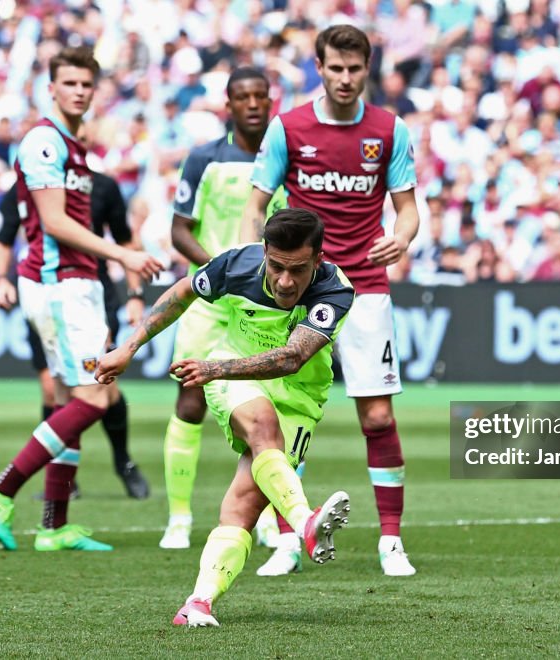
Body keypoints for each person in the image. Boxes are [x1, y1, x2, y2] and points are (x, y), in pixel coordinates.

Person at [96, 209, 353, 627]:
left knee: (244, 505)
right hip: (234, 370)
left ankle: (197, 603)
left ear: (318, 260)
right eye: (277, 267)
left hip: (299, 397)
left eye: (298, 270)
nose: (286, 282)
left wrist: (216, 370)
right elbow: (182, 292)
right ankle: (306, 523)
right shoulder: (237, 263)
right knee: (261, 427)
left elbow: (292, 358)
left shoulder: (335, 289)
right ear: (265, 252)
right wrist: (130, 347)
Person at [242, 24, 420, 577]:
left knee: (376, 416)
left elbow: (408, 207)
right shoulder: (288, 127)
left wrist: (404, 234)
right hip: (299, 292)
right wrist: (258, 265)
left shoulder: (389, 131)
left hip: (365, 286)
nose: (345, 79)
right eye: (335, 69)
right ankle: (290, 539)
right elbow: (256, 205)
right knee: (285, 421)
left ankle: (390, 541)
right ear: (319, 68)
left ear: (368, 69)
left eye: (355, 69)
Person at [0, 46, 163, 552]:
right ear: (51, 88)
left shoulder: (74, 147)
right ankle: (0, 488)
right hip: (59, 285)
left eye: (86, 84)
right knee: (97, 396)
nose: (78, 91)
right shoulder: (44, 142)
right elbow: (53, 222)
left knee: (73, 396)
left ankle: (54, 526)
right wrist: (124, 254)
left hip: (76, 285)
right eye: (69, 83)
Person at [160, 67, 286, 550]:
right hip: (210, 301)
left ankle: (269, 519)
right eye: (242, 97)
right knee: (189, 401)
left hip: (264, 306)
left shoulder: (285, 161)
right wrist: (220, 271)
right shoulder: (203, 159)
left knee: (265, 413)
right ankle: (178, 518)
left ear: (270, 101)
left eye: (260, 96)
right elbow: (179, 230)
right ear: (228, 104)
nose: (253, 104)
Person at [0, 170, 151, 500]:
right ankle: (63, 487)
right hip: (45, 292)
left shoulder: (103, 186)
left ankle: (123, 462)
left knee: (101, 385)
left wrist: (135, 293)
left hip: (92, 294)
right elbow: (4, 237)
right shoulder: (28, 184)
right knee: (53, 390)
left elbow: (126, 240)